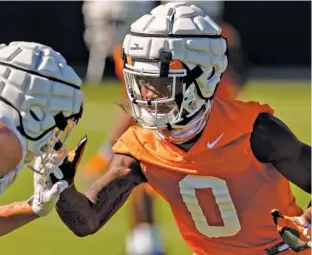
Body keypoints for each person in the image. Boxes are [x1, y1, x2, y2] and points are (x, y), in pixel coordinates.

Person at [51, 3, 311, 255]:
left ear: (202, 79)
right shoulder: (139, 148)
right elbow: (87, 221)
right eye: (141, 82)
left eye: (160, 83)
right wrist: (62, 187)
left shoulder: (255, 132)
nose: (147, 95)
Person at [81, 1, 248, 254]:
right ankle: (147, 243)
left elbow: (143, 100)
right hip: (199, 122)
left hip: (196, 125)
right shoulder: (220, 35)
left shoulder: (159, 43)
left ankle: (147, 243)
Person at [0, 41, 84, 244]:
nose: (58, 134)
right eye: (59, 119)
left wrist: (33, 208)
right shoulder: (5, 143)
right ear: (37, 111)